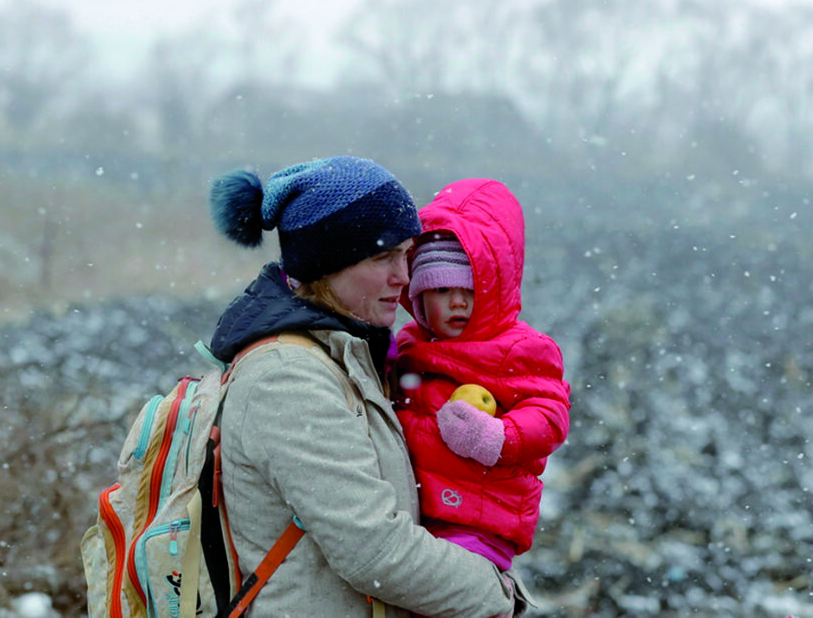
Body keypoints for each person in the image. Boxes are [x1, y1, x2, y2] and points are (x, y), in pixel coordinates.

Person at [206, 157, 521, 617]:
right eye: (383, 257)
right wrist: (499, 594)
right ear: (327, 264)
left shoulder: (350, 355)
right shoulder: (287, 378)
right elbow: (375, 551)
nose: (405, 277)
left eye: (407, 254)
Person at [395, 178, 571, 573]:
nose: (457, 301)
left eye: (472, 289)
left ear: (496, 289)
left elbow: (549, 414)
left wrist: (498, 438)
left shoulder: (518, 349)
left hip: (480, 519)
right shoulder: (408, 347)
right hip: (418, 512)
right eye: (441, 289)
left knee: (447, 593)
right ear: (418, 295)